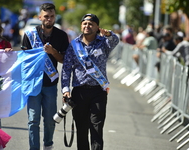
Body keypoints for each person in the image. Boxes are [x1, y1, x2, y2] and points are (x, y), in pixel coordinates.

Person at [61, 14, 119, 150]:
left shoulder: (103, 43)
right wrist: (65, 90)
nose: (87, 26)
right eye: (84, 23)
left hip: (98, 91)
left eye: (91, 24)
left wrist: (109, 33)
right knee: (81, 130)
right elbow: (66, 69)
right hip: (79, 92)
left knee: (96, 129)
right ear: (81, 26)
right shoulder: (74, 45)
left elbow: (115, 41)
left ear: (97, 27)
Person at [21, 3, 69, 150]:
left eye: (52, 16)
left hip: (50, 84)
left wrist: (53, 52)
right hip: (33, 83)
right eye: (46, 16)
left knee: (49, 120)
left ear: (55, 17)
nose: (49, 19)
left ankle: (48, 144)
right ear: (40, 16)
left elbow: (63, 59)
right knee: (33, 120)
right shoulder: (29, 35)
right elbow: (22, 59)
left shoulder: (61, 35)